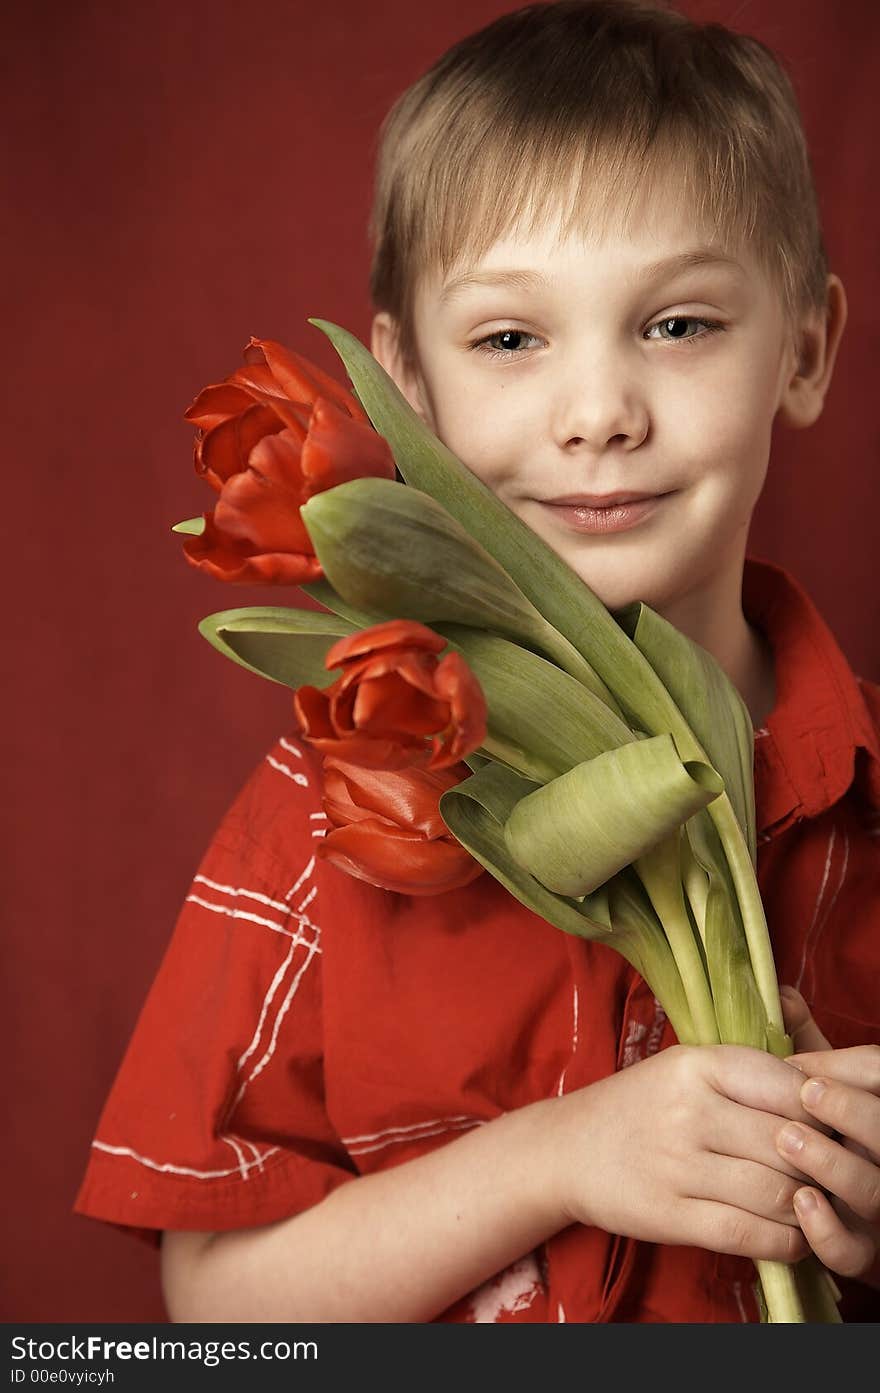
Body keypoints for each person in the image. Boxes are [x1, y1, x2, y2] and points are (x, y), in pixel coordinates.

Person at [74, 0, 880, 1322]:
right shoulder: (342, 789)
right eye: (512, 338)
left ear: (805, 347)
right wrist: (568, 1154)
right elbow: (216, 1311)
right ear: (407, 382)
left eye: (678, 325)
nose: (600, 414)